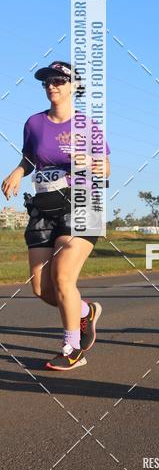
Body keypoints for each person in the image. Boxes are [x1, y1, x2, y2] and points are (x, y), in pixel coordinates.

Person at [1, 61, 109, 370]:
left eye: (60, 80)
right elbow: (30, 158)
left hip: (82, 203)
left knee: (63, 276)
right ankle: (85, 312)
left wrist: (89, 161)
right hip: (43, 207)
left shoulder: (89, 126)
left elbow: (107, 168)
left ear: (75, 85)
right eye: (48, 81)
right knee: (41, 287)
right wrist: (17, 172)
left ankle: (72, 348)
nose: (52, 85)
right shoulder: (34, 123)